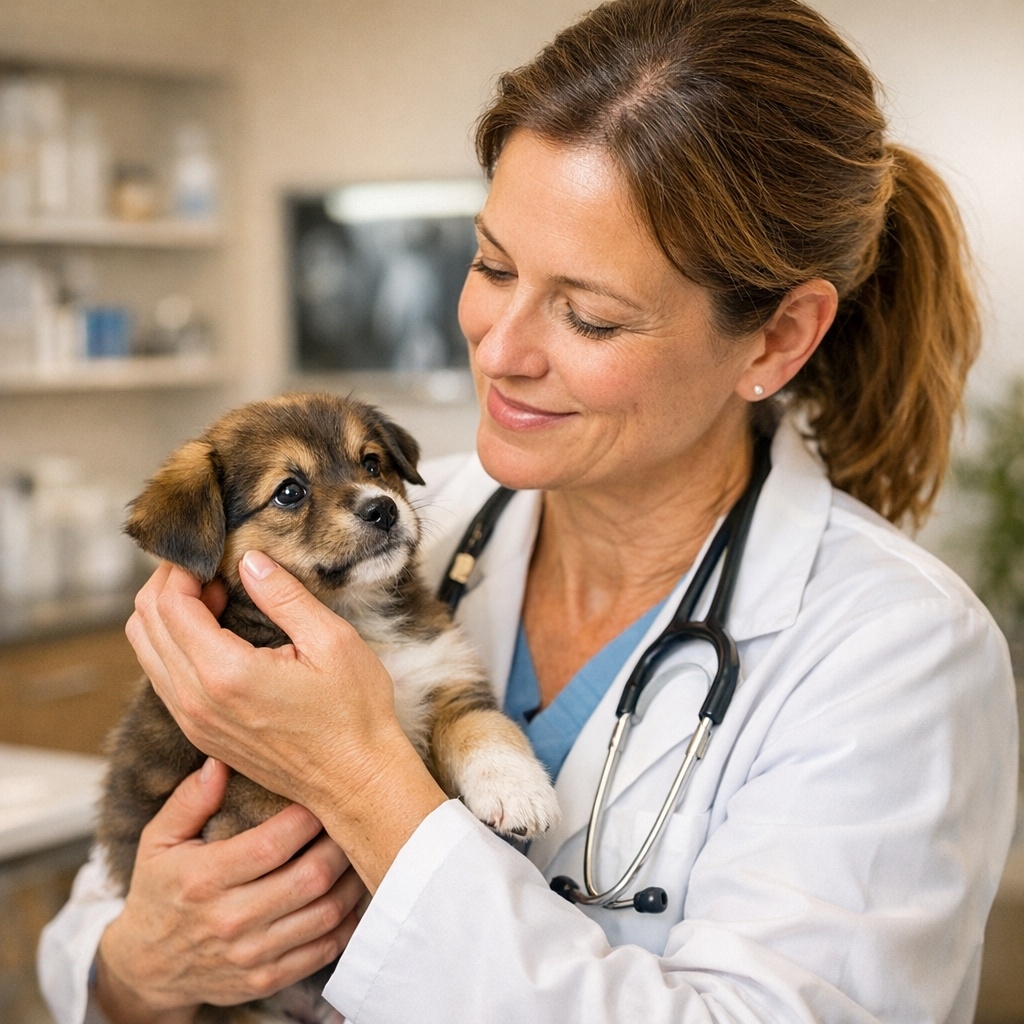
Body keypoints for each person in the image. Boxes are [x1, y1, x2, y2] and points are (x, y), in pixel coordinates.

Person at [40, 0, 1019, 1021]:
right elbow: (104, 922)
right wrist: (142, 969)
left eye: (589, 314)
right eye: (491, 265)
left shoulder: (894, 653)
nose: (499, 348)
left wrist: (362, 781)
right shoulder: (410, 524)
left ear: (776, 340)